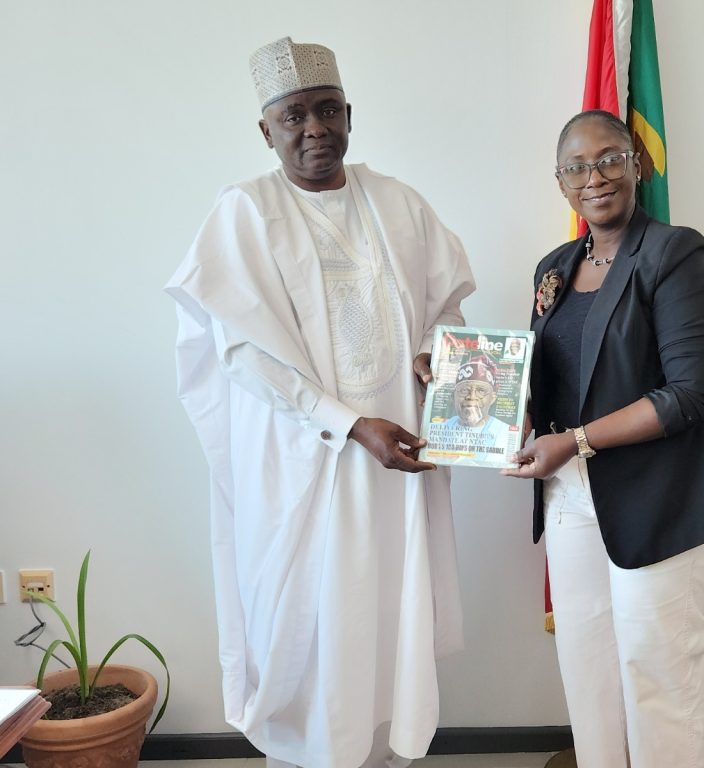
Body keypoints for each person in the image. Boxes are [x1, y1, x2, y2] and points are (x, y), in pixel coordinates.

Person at [165, 37, 475, 768]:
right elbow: (245, 354)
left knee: (386, 623)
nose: (315, 129)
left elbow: (448, 306)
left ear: (349, 115)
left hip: (397, 464)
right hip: (302, 469)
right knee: (305, 629)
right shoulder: (244, 212)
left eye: (328, 110)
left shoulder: (399, 202)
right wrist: (349, 425)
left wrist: (438, 348)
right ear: (265, 129)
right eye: (296, 115)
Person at [502, 110, 704, 768]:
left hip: (656, 498)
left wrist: (574, 440)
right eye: (576, 167)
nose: (593, 176)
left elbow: (691, 394)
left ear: (637, 162)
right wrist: (471, 393)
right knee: (588, 665)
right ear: (560, 183)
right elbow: (546, 377)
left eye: (608, 158)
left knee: (658, 675)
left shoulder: (673, 252)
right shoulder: (555, 266)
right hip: (568, 496)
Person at [442, 355, 509, 440]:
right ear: (453, 396)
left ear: (492, 398)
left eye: (481, 391)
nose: (472, 397)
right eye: (464, 390)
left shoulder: (505, 434)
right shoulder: (437, 430)